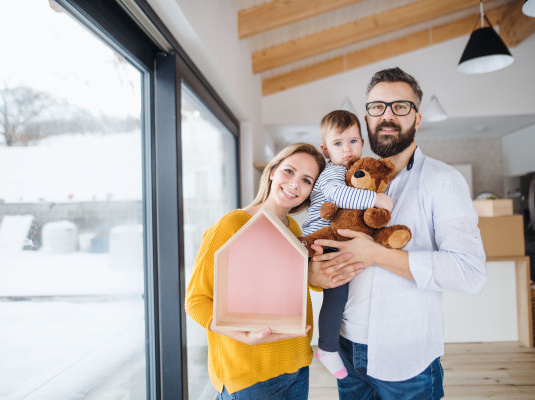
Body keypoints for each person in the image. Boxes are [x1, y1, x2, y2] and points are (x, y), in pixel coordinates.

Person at [310, 67, 487, 399]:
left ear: (416, 119)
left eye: (400, 107)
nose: (387, 116)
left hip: (408, 360)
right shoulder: (349, 179)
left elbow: (470, 272)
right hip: (346, 349)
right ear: (367, 118)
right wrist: (315, 273)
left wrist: (377, 254)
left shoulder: (443, 180)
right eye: (378, 107)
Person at [185, 143, 357, 400]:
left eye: (306, 180)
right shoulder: (232, 225)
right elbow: (196, 301)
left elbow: (286, 285)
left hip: (297, 366)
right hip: (249, 376)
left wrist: (316, 277)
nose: (294, 184)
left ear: (311, 191)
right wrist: (243, 336)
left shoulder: (296, 232)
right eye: (289, 171)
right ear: (272, 171)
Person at [302, 110, 393, 380]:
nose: (347, 149)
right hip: (322, 238)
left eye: (353, 141)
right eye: (338, 144)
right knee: (337, 293)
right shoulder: (331, 174)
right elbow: (338, 195)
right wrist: (375, 200)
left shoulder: (353, 171)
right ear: (325, 149)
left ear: (362, 143)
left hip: (337, 236)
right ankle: (327, 347)